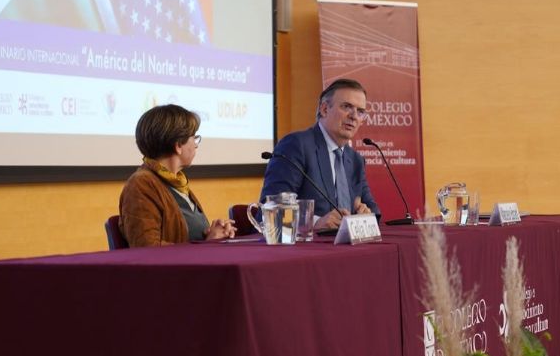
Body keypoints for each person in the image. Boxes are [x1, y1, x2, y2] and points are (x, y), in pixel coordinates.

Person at [260, 78, 380, 231]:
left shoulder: (355, 160)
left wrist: (365, 214)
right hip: (306, 250)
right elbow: (271, 209)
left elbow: (373, 210)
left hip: (348, 248)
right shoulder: (296, 145)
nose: (354, 116)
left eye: (360, 111)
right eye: (346, 107)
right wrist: (314, 222)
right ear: (324, 109)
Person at [119, 104, 235, 247]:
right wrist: (207, 245)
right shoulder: (141, 185)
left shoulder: (178, 183)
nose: (196, 145)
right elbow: (147, 249)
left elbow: (191, 237)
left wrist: (215, 233)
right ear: (178, 145)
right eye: (194, 137)